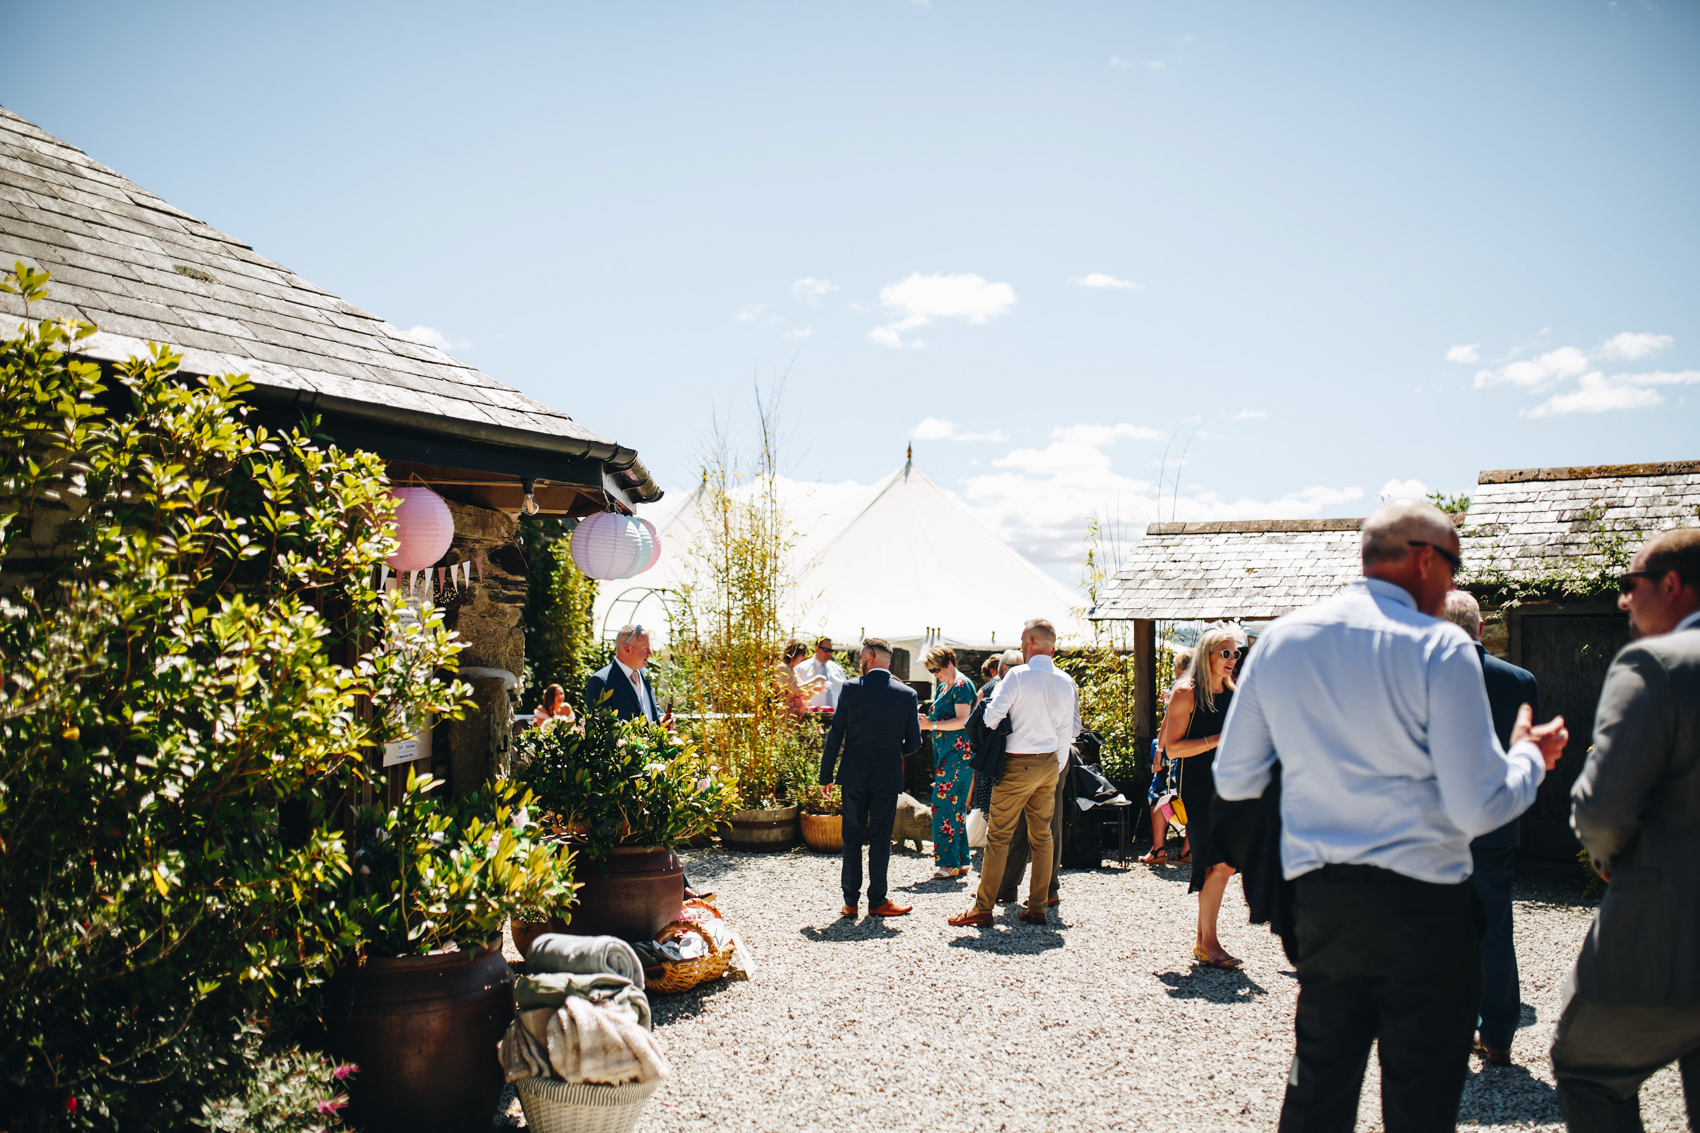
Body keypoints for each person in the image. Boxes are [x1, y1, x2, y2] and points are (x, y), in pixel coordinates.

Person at [1215, 499, 1567, 1133]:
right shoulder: (1441, 649)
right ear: (1427, 560)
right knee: (1420, 1102)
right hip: (1424, 907)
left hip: (1322, 900)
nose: (1453, 585)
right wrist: (1528, 760)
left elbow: (1235, 777)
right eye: (1454, 568)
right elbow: (1477, 806)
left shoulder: (1283, 640)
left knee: (1318, 1091)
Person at [1551, 527, 1700, 1132]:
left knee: (1588, 1071)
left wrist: (1606, 855)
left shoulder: (1658, 664)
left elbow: (1604, 809)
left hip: (1669, 934)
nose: (1621, 601)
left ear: (1670, 585)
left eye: (1628, 585)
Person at [1441, 589, 1539, 1068]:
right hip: (1496, 825)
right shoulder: (1520, 681)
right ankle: (1499, 1036)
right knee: (1496, 931)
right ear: (1481, 630)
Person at [949, 619, 1079, 929]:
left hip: (1017, 762)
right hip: (1049, 763)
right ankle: (1037, 906)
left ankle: (983, 908)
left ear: (1032, 643)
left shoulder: (1017, 676)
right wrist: (1055, 765)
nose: (1021, 645)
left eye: (1023, 641)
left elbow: (992, 717)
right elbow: (1067, 732)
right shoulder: (1065, 681)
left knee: (999, 837)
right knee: (1043, 836)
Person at [819, 637, 924, 919]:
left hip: (853, 774)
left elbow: (836, 735)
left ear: (871, 657)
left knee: (851, 838)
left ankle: (850, 903)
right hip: (886, 776)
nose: (859, 661)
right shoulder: (906, 694)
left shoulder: (851, 689)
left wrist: (825, 775)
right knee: (879, 840)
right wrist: (892, 753)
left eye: (862, 657)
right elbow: (915, 743)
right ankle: (877, 901)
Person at [1161, 624, 1244, 968]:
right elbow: (1171, 748)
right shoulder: (1187, 692)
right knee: (1221, 863)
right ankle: (1208, 943)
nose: (1232, 659)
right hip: (1198, 790)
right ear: (1206, 655)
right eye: (1225, 653)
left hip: (1231, 787)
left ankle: (1204, 942)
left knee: (1223, 863)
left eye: (1235, 653)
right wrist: (1217, 741)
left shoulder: (1233, 690)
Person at [919, 646, 976, 880]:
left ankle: (948, 863)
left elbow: (963, 720)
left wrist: (930, 726)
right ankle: (960, 860)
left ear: (950, 661)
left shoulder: (963, 685)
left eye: (937, 668)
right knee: (955, 806)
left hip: (958, 754)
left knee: (942, 805)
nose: (935, 673)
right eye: (931, 670)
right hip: (947, 754)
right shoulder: (944, 686)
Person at [1139, 650, 1192, 867]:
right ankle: (1188, 849)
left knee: (1158, 796)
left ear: (1180, 667)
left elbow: (1167, 723)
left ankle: (1158, 848)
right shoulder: (1203, 689)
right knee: (1188, 798)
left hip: (1173, 752)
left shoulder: (1179, 688)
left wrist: (1159, 752)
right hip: (1193, 752)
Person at [585, 625, 661, 723]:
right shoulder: (600, 681)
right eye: (645, 648)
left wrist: (662, 717)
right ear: (627, 649)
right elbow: (595, 727)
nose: (650, 652)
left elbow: (650, 709)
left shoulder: (645, 673)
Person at [775, 638, 827, 718]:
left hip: (796, 718)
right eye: (803, 653)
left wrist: (814, 690)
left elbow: (801, 698)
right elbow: (797, 690)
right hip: (786, 719)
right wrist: (817, 679)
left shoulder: (792, 670)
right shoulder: (783, 668)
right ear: (795, 653)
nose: (804, 657)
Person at [795, 636, 847, 710]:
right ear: (816, 648)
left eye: (831, 651)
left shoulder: (837, 670)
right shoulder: (801, 669)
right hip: (810, 717)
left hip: (834, 717)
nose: (829, 653)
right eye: (826, 650)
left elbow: (845, 694)